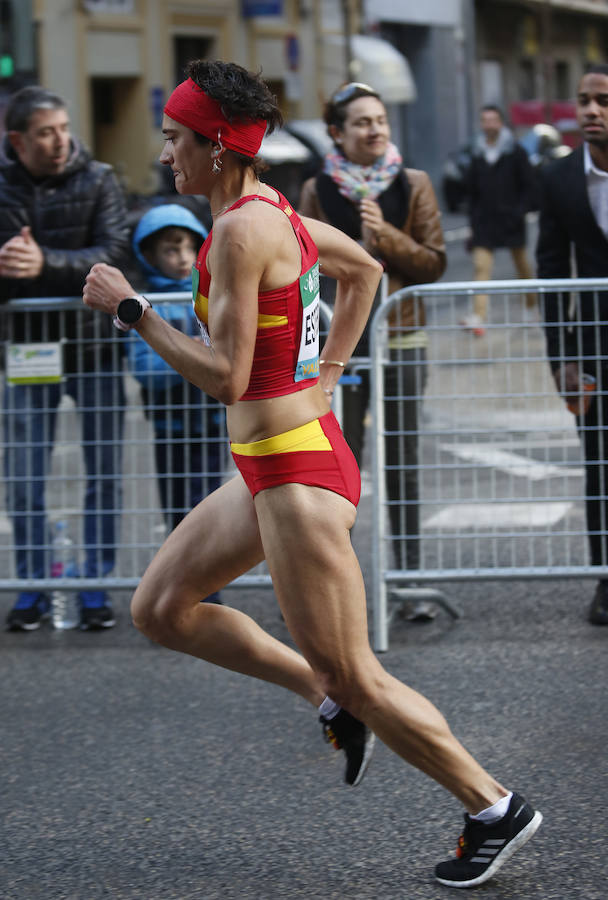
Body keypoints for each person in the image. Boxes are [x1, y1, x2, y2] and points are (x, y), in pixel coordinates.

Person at [83, 60, 542, 888]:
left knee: (359, 674)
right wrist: (330, 370)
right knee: (159, 608)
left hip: (295, 475)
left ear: (218, 148)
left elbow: (224, 376)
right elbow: (363, 271)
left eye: (177, 140)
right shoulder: (272, 213)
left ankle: (493, 806)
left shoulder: (238, 231)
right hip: (275, 461)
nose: (166, 156)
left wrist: (131, 307)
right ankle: (320, 696)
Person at [298, 82, 446, 607]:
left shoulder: (414, 182)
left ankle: (408, 583)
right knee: (339, 466)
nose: (375, 130)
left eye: (380, 120)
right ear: (337, 133)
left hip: (403, 336)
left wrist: (385, 236)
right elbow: (303, 264)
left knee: (403, 460)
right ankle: (344, 589)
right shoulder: (319, 189)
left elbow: (434, 262)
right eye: (362, 122)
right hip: (341, 344)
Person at [0, 85, 129, 632]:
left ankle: (95, 585)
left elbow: (115, 254)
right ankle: (32, 583)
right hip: (28, 349)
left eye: (63, 129)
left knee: (105, 472)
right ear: (17, 140)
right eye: (45, 133)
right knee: (25, 477)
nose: (60, 142)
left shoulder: (100, 179)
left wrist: (42, 263)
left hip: (94, 347)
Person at [536, 64, 608, 626]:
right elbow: (552, 273)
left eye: (602, 100)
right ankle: (607, 579)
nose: (590, 110)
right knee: (600, 463)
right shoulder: (558, 178)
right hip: (593, 344)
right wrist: (561, 360)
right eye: (583, 100)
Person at [128, 202, 223, 603]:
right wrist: (194, 357)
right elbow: (144, 368)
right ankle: (183, 587)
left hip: (212, 423)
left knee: (211, 510)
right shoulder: (142, 305)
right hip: (170, 428)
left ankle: (208, 586)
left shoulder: (211, 295)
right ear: (149, 256)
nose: (181, 258)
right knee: (178, 511)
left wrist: (187, 356)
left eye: (187, 248)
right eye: (170, 250)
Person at [461, 105, 537, 337]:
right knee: (481, 267)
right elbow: (471, 191)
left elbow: (529, 185)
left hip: (510, 220)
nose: (489, 124)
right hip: (484, 222)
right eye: (485, 120)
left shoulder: (515, 151)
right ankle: (479, 316)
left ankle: (531, 307)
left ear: (501, 123)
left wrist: (520, 211)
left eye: (493, 120)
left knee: (522, 267)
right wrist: (472, 222)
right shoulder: (477, 153)